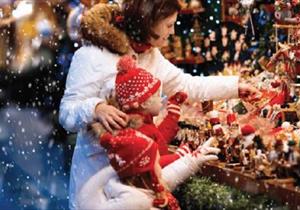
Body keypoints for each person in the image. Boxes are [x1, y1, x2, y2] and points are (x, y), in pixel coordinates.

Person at [59, 1, 259, 209]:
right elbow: (67, 114)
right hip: (97, 181)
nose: (172, 32)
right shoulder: (93, 55)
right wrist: (96, 108)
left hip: (140, 180)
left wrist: (236, 87)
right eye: (168, 24)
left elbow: (186, 85)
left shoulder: (151, 55)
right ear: (148, 22)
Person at [91, 55, 186, 209]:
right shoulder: (140, 131)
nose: (161, 99)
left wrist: (173, 113)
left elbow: (159, 140)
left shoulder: (144, 123)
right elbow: (153, 163)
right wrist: (180, 157)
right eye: (157, 96)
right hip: (149, 191)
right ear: (144, 102)